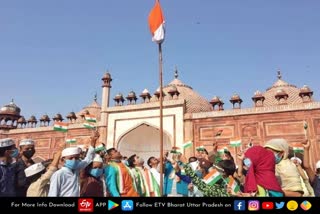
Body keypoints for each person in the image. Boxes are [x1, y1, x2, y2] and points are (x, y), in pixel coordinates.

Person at [48, 130, 99, 197]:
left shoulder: (76, 169)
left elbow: (88, 159)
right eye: (70, 158)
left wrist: (93, 142)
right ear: (63, 159)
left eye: (76, 158)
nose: (74, 160)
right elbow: (52, 194)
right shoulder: (59, 174)